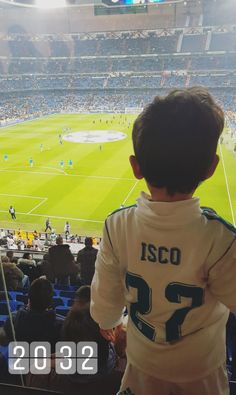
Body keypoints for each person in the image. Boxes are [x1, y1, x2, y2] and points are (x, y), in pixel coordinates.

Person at [91, 87, 236, 395]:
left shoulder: (117, 225)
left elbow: (104, 310)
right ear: (211, 168)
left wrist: (111, 324)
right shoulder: (221, 240)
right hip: (202, 378)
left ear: (135, 166)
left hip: (141, 371)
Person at [0, 278, 63, 351]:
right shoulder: (61, 326)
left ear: (29, 300)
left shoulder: (13, 320)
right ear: (50, 302)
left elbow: (3, 342)